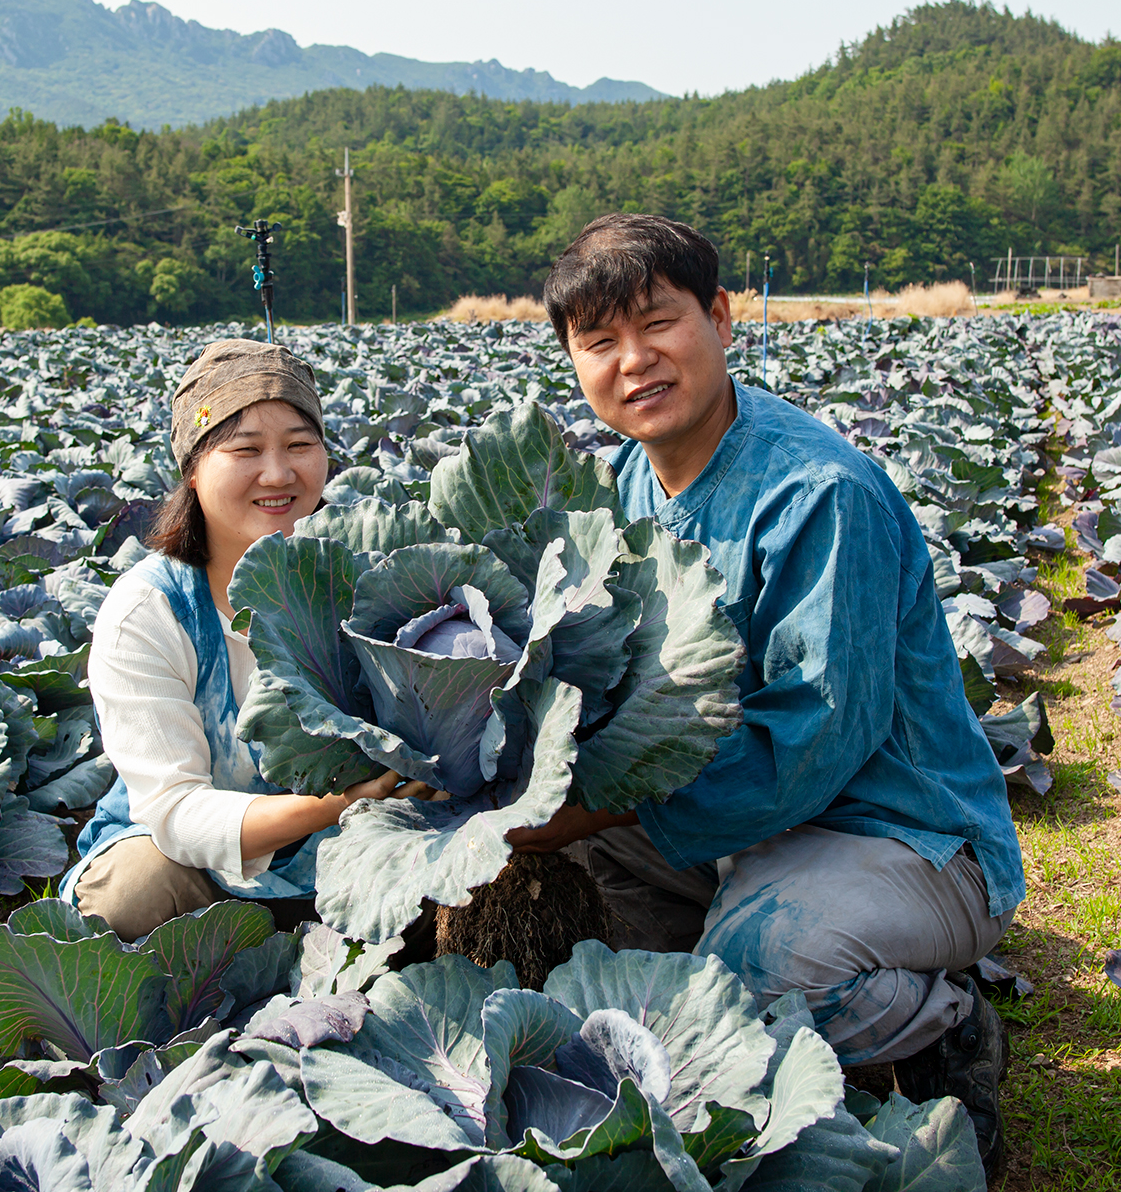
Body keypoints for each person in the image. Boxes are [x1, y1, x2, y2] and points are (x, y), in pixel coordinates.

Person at [507, 214, 1026, 1175]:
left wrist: (593, 807)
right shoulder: (628, 481)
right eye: (599, 342)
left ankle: (943, 1023)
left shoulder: (819, 493)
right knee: (624, 901)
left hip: (906, 834)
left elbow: (813, 745)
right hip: (749, 833)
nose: (635, 360)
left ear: (721, 318)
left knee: (758, 971)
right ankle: (703, 995)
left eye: (658, 323)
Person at [67, 339, 429, 939]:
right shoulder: (149, 612)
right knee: (133, 893)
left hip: (365, 852)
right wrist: (340, 804)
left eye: (299, 445)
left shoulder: (369, 572)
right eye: (245, 450)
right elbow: (178, 813)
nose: (278, 474)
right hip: (205, 870)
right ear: (192, 468)